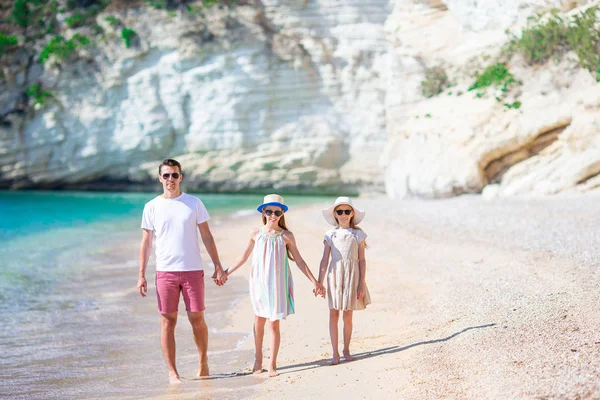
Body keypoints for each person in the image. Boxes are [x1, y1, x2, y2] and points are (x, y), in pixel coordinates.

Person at [137, 158, 226, 384]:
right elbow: (146, 243)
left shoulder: (194, 203)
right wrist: (141, 275)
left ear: (181, 177)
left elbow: (206, 235)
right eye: (166, 175)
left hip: (192, 270)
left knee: (197, 318)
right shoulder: (151, 206)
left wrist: (217, 264)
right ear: (160, 178)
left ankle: (203, 361)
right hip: (165, 272)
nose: (170, 180)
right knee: (168, 321)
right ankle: (172, 372)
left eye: (174, 175)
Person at [220, 194, 326, 377]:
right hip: (259, 283)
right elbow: (243, 257)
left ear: (282, 213)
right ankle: (258, 359)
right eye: (269, 211)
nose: (273, 215)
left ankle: (272, 364)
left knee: (274, 324)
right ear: (263, 212)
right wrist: (226, 272)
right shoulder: (255, 233)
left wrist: (315, 281)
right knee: (258, 321)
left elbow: (299, 261)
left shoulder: (286, 236)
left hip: (277, 284)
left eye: (277, 211)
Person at [317, 196, 371, 365]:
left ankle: (346, 349)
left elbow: (362, 260)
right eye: (340, 211)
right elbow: (324, 260)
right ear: (335, 214)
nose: (343, 215)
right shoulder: (330, 234)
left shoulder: (358, 234)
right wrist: (319, 282)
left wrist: (361, 283)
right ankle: (334, 353)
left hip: (352, 277)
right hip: (334, 277)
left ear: (352, 213)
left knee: (348, 315)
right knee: (333, 314)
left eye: (347, 211)